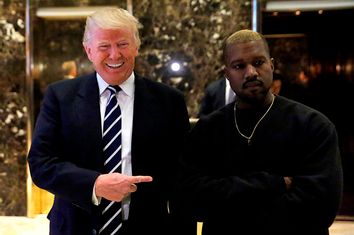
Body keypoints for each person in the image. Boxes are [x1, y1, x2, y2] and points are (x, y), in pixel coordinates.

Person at [27, 7, 193, 235]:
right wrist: (94, 184)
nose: (114, 55)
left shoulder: (169, 101)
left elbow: (184, 175)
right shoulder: (60, 96)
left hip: (149, 228)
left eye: (122, 44)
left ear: (136, 46)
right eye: (104, 46)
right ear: (89, 51)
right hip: (75, 227)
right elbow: (40, 163)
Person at [174, 29, 343, 235]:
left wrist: (227, 206)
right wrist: (275, 183)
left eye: (258, 63)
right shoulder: (207, 130)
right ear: (227, 74)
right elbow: (189, 200)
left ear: (271, 65)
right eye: (239, 66)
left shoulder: (313, 126)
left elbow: (320, 208)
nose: (251, 72)